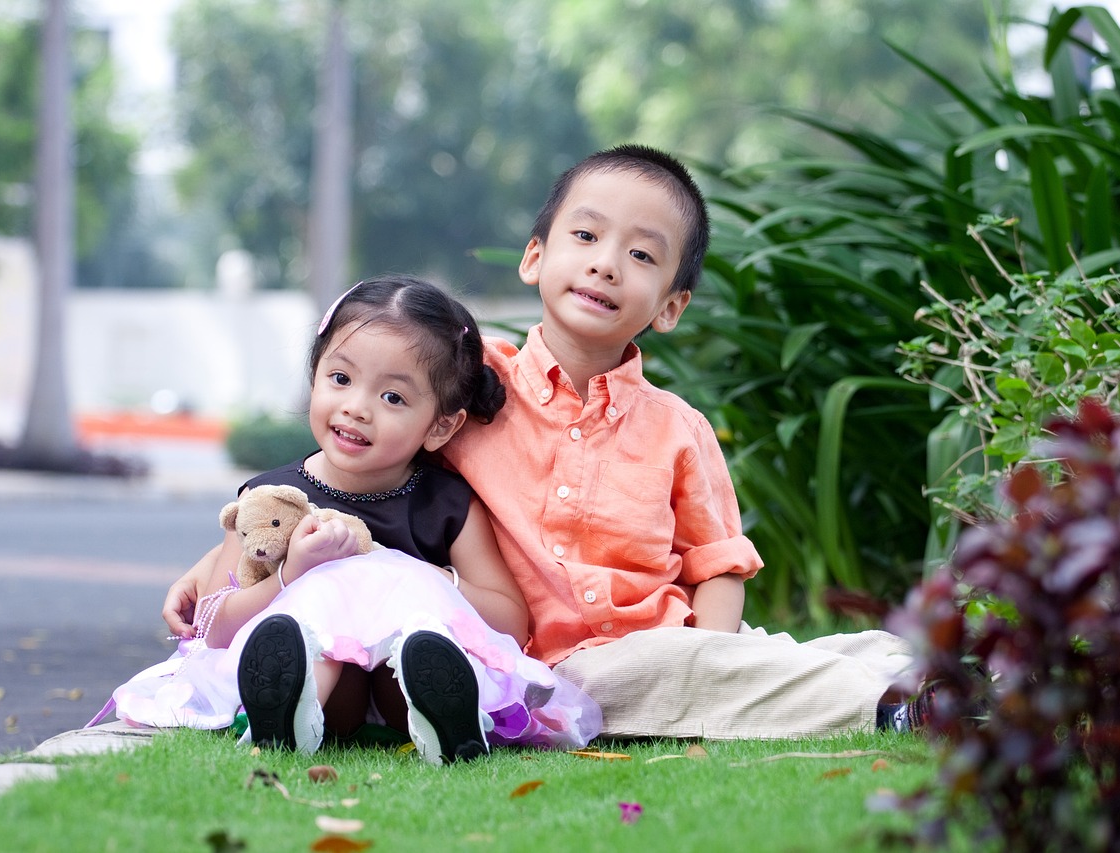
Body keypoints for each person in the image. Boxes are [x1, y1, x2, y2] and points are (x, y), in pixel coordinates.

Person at [165, 145, 921, 740]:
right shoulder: (463, 384)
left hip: (671, 640)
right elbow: (339, 451)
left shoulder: (678, 428)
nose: (604, 262)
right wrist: (212, 566)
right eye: (586, 235)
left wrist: (714, 653)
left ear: (671, 305)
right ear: (535, 257)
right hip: (563, 666)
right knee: (717, 672)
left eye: (642, 255)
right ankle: (902, 703)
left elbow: (718, 563)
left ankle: (922, 668)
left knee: (778, 656)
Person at [109, 275, 601, 761]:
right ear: (315, 375)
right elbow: (215, 626)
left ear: (441, 425)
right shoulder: (270, 500)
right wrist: (291, 573)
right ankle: (285, 717)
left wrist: (414, 574)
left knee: (417, 644)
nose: (356, 408)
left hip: (396, 693)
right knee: (308, 640)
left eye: (393, 398)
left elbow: (510, 622)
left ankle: (442, 716)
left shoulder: (447, 505)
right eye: (340, 379)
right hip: (330, 693)